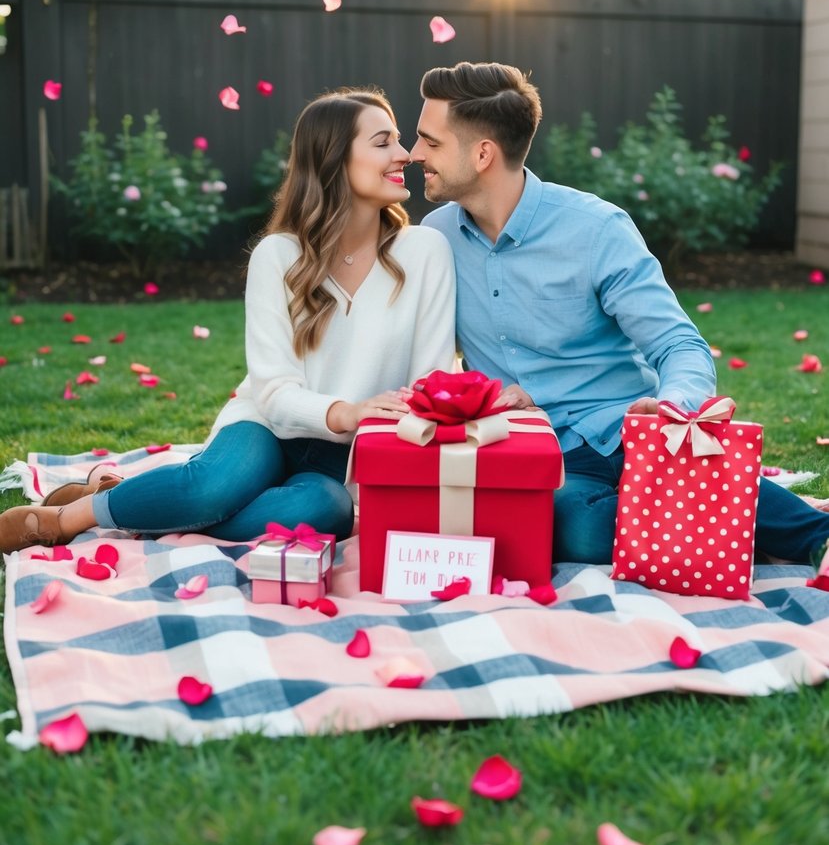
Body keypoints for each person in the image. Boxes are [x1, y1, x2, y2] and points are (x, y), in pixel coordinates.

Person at [0, 87, 457, 554]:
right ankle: (72, 515)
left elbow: (433, 380)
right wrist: (348, 411)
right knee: (213, 488)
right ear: (333, 159)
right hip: (266, 426)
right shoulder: (278, 256)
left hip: (347, 456)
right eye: (383, 142)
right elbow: (275, 392)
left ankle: (149, 508)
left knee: (327, 511)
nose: (405, 154)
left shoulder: (425, 252)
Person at [411, 60, 829, 567]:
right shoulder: (435, 238)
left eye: (430, 143)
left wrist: (674, 406)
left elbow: (679, 345)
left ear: (482, 154)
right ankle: (696, 518)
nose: (416, 155)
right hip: (538, 454)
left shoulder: (596, 229)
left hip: (629, 433)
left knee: (674, 467)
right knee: (580, 532)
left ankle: (813, 536)